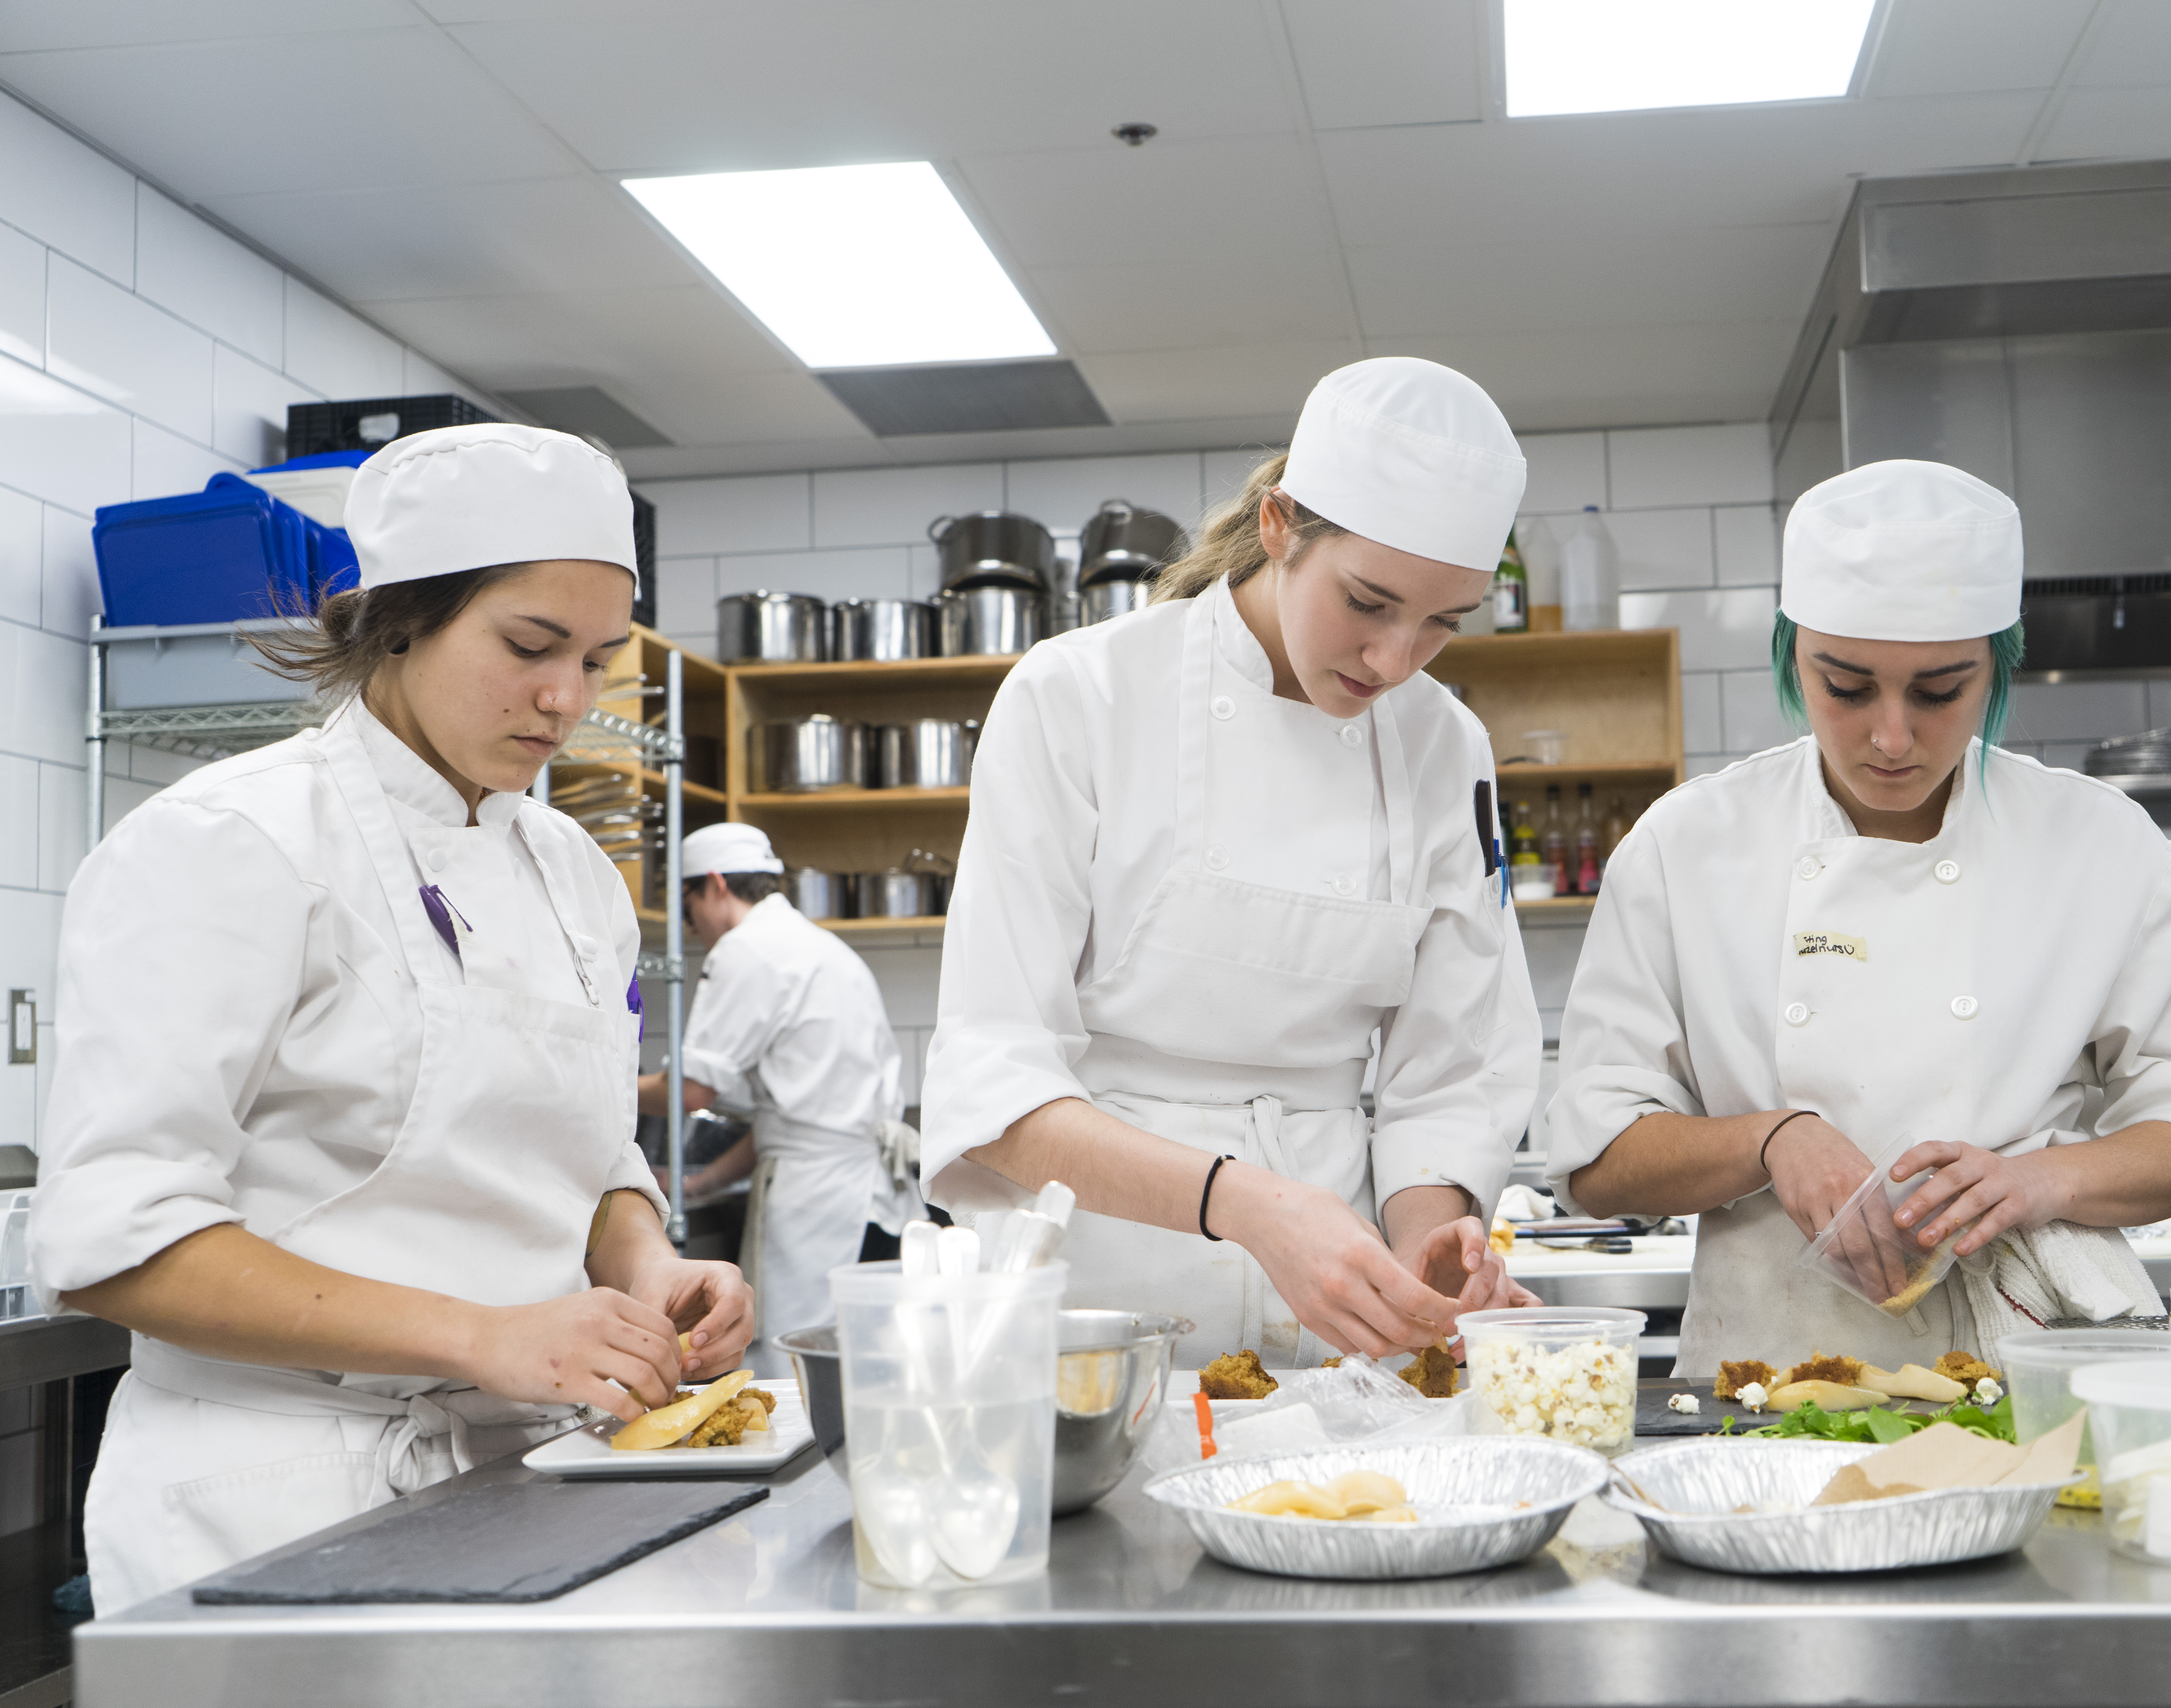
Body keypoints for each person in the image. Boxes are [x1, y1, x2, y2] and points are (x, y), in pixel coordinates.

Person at [32, 424, 752, 1615]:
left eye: (595, 657)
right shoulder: (234, 843)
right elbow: (113, 1239)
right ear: (399, 620)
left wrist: (651, 1270)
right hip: (273, 1504)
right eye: (530, 646)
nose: (564, 700)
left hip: (533, 1483)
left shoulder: (572, 871)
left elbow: (591, 1153)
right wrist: (487, 1338)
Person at [1545, 459, 2171, 1373]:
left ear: (1999, 664)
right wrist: (1771, 1139)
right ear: (1792, 651)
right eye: (1845, 687)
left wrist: (2042, 1179)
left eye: (1939, 692)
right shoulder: (1686, 845)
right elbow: (1595, 1155)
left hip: (2036, 1363)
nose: (1891, 737)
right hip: (1771, 1369)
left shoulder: (2104, 845)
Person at [924, 357, 1544, 1369]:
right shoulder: (1081, 697)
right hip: (1091, 1308)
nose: (1394, 661)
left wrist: (1427, 1246)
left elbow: (1449, 1073)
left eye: (1442, 622)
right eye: (1369, 602)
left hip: (1332, 1320)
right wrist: (1247, 1204)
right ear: (1278, 526)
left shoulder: (1446, 745)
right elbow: (993, 1083)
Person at [639, 822, 919, 1351]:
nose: (691, 925)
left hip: (817, 1205)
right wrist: (700, 1184)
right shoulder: (822, 948)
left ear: (715, 884)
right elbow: (792, 1119)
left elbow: (690, 1092)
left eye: (688, 906)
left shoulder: (748, 950)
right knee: (864, 1364)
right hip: (873, 1202)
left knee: (796, 1360)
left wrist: (600, 1083)